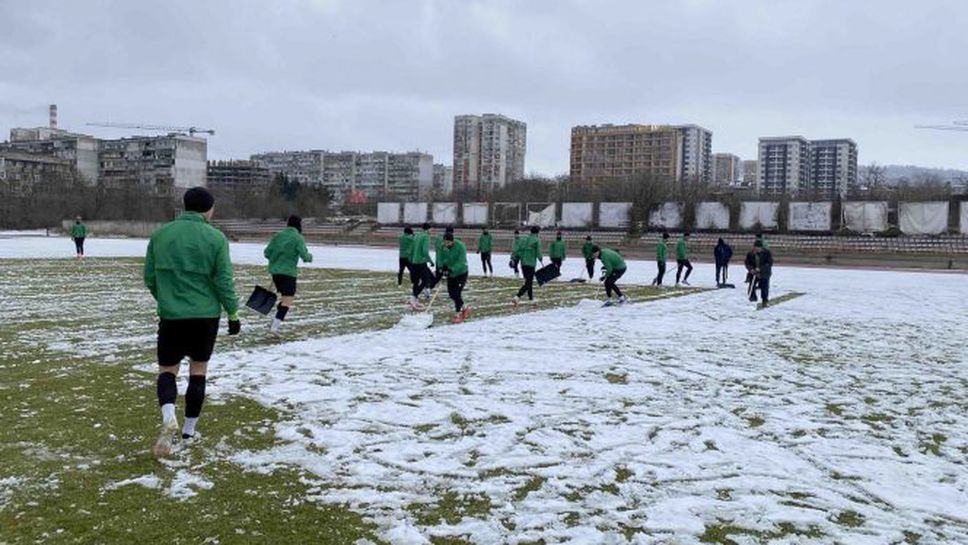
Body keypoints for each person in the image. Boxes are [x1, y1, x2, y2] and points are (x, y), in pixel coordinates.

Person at [143, 187, 240, 457]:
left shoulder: (161, 235)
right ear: (209, 209)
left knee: (167, 371)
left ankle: (167, 416)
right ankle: (188, 431)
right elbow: (223, 281)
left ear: (185, 207)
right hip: (205, 317)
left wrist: (166, 299)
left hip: (172, 316)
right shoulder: (216, 238)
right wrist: (233, 313)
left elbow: (150, 277)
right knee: (199, 370)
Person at [264, 215, 314, 333]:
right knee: (288, 299)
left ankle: (276, 318)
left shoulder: (278, 236)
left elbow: (267, 253)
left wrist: (276, 259)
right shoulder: (298, 238)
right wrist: (310, 257)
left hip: (275, 273)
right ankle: (274, 326)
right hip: (288, 273)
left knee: (284, 297)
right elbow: (305, 256)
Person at [439, 232, 472, 323]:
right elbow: (441, 258)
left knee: (457, 292)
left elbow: (461, 261)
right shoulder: (443, 247)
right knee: (451, 294)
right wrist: (443, 267)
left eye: (448, 243)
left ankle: (458, 313)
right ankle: (464, 308)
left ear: (452, 241)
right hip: (451, 274)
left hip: (461, 273)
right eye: (445, 242)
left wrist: (451, 269)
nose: (446, 244)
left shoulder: (460, 246)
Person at [511, 226, 542, 308]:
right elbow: (538, 252)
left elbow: (518, 250)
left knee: (528, 282)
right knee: (528, 283)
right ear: (537, 233)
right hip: (531, 263)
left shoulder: (524, 239)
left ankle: (531, 299)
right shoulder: (537, 240)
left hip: (523, 263)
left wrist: (513, 258)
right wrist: (540, 258)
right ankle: (517, 297)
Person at [408, 223, 435, 309]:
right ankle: (414, 297)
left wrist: (412, 260)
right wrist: (430, 261)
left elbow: (412, 249)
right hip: (421, 262)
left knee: (416, 281)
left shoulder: (417, 236)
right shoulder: (426, 236)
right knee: (425, 280)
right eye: (431, 229)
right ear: (428, 229)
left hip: (414, 261)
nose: (432, 231)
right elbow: (425, 251)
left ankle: (415, 300)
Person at [753, 240, 773, 307]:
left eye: (757, 247)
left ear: (760, 247)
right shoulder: (754, 253)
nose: (756, 249)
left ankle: (765, 301)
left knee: (765, 287)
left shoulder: (767, 253)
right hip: (757, 273)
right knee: (755, 285)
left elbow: (769, 263)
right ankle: (753, 298)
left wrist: (760, 268)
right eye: (755, 247)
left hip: (765, 273)